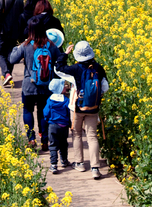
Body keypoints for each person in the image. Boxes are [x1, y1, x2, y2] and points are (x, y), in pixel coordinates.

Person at [55, 41, 110, 180]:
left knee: (77, 134)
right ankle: (95, 168)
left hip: (77, 107)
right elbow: (105, 87)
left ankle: (79, 163)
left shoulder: (75, 69)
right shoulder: (98, 68)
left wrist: (64, 54)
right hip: (93, 108)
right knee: (92, 136)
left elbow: (58, 69)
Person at [9, 18, 65, 150]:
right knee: (43, 112)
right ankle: (45, 141)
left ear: (30, 30)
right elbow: (60, 60)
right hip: (46, 86)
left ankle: (31, 139)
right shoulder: (51, 45)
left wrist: (15, 48)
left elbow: (12, 59)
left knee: (28, 110)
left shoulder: (26, 45)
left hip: (29, 85)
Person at [43, 78, 71, 174]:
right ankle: (64, 160)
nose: (65, 87)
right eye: (63, 86)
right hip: (64, 126)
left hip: (53, 125)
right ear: (59, 89)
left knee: (53, 145)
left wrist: (47, 119)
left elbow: (46, 112)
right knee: (63, 144)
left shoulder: (50, 100)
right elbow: (69, 112)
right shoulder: (66, 100)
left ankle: (54, 164)